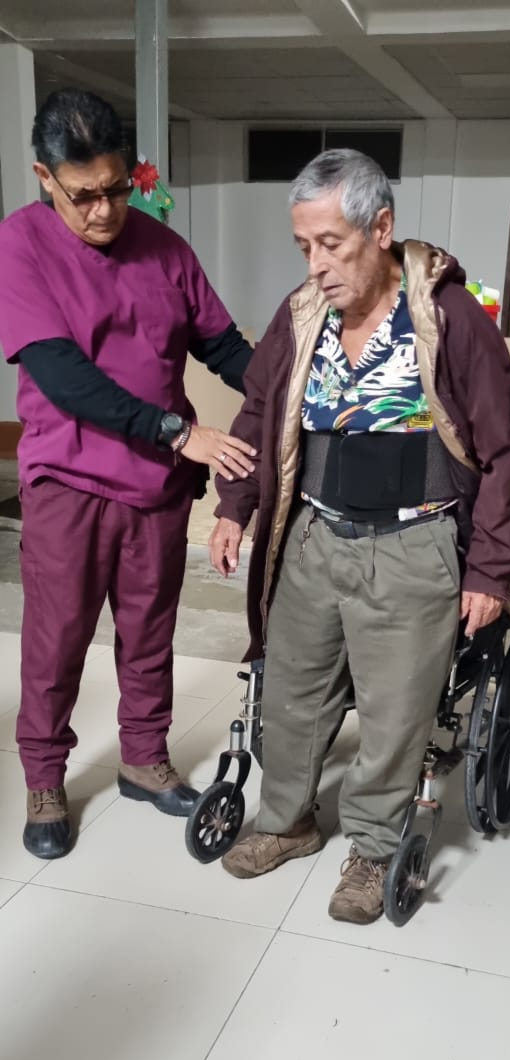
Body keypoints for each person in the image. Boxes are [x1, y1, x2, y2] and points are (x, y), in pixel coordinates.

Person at [210, 149, 510, 925]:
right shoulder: (301, 316)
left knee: (394, 713)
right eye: (304, 246)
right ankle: (287, 819)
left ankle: (375, 848)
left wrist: (490, 570)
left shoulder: (449, 319)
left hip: (414, 545)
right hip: (314, 535)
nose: (316, 265)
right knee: (292, 692)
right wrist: (233, 505)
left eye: (331, 244)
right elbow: (258, 412)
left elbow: (504, 452)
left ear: (381, 228)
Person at [0, 89, 256, 859]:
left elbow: (223, 346)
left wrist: (290, 392)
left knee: (150, 634)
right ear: (46, 178)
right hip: (70, 484)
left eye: (116, 189)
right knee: (57, 643)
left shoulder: (164, 249)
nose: (104, 210)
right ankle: (46, 779)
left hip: (157, 489)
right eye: (84, 195)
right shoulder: (21, 243)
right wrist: (178, 432)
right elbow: (62, 376)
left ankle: (144, 760)